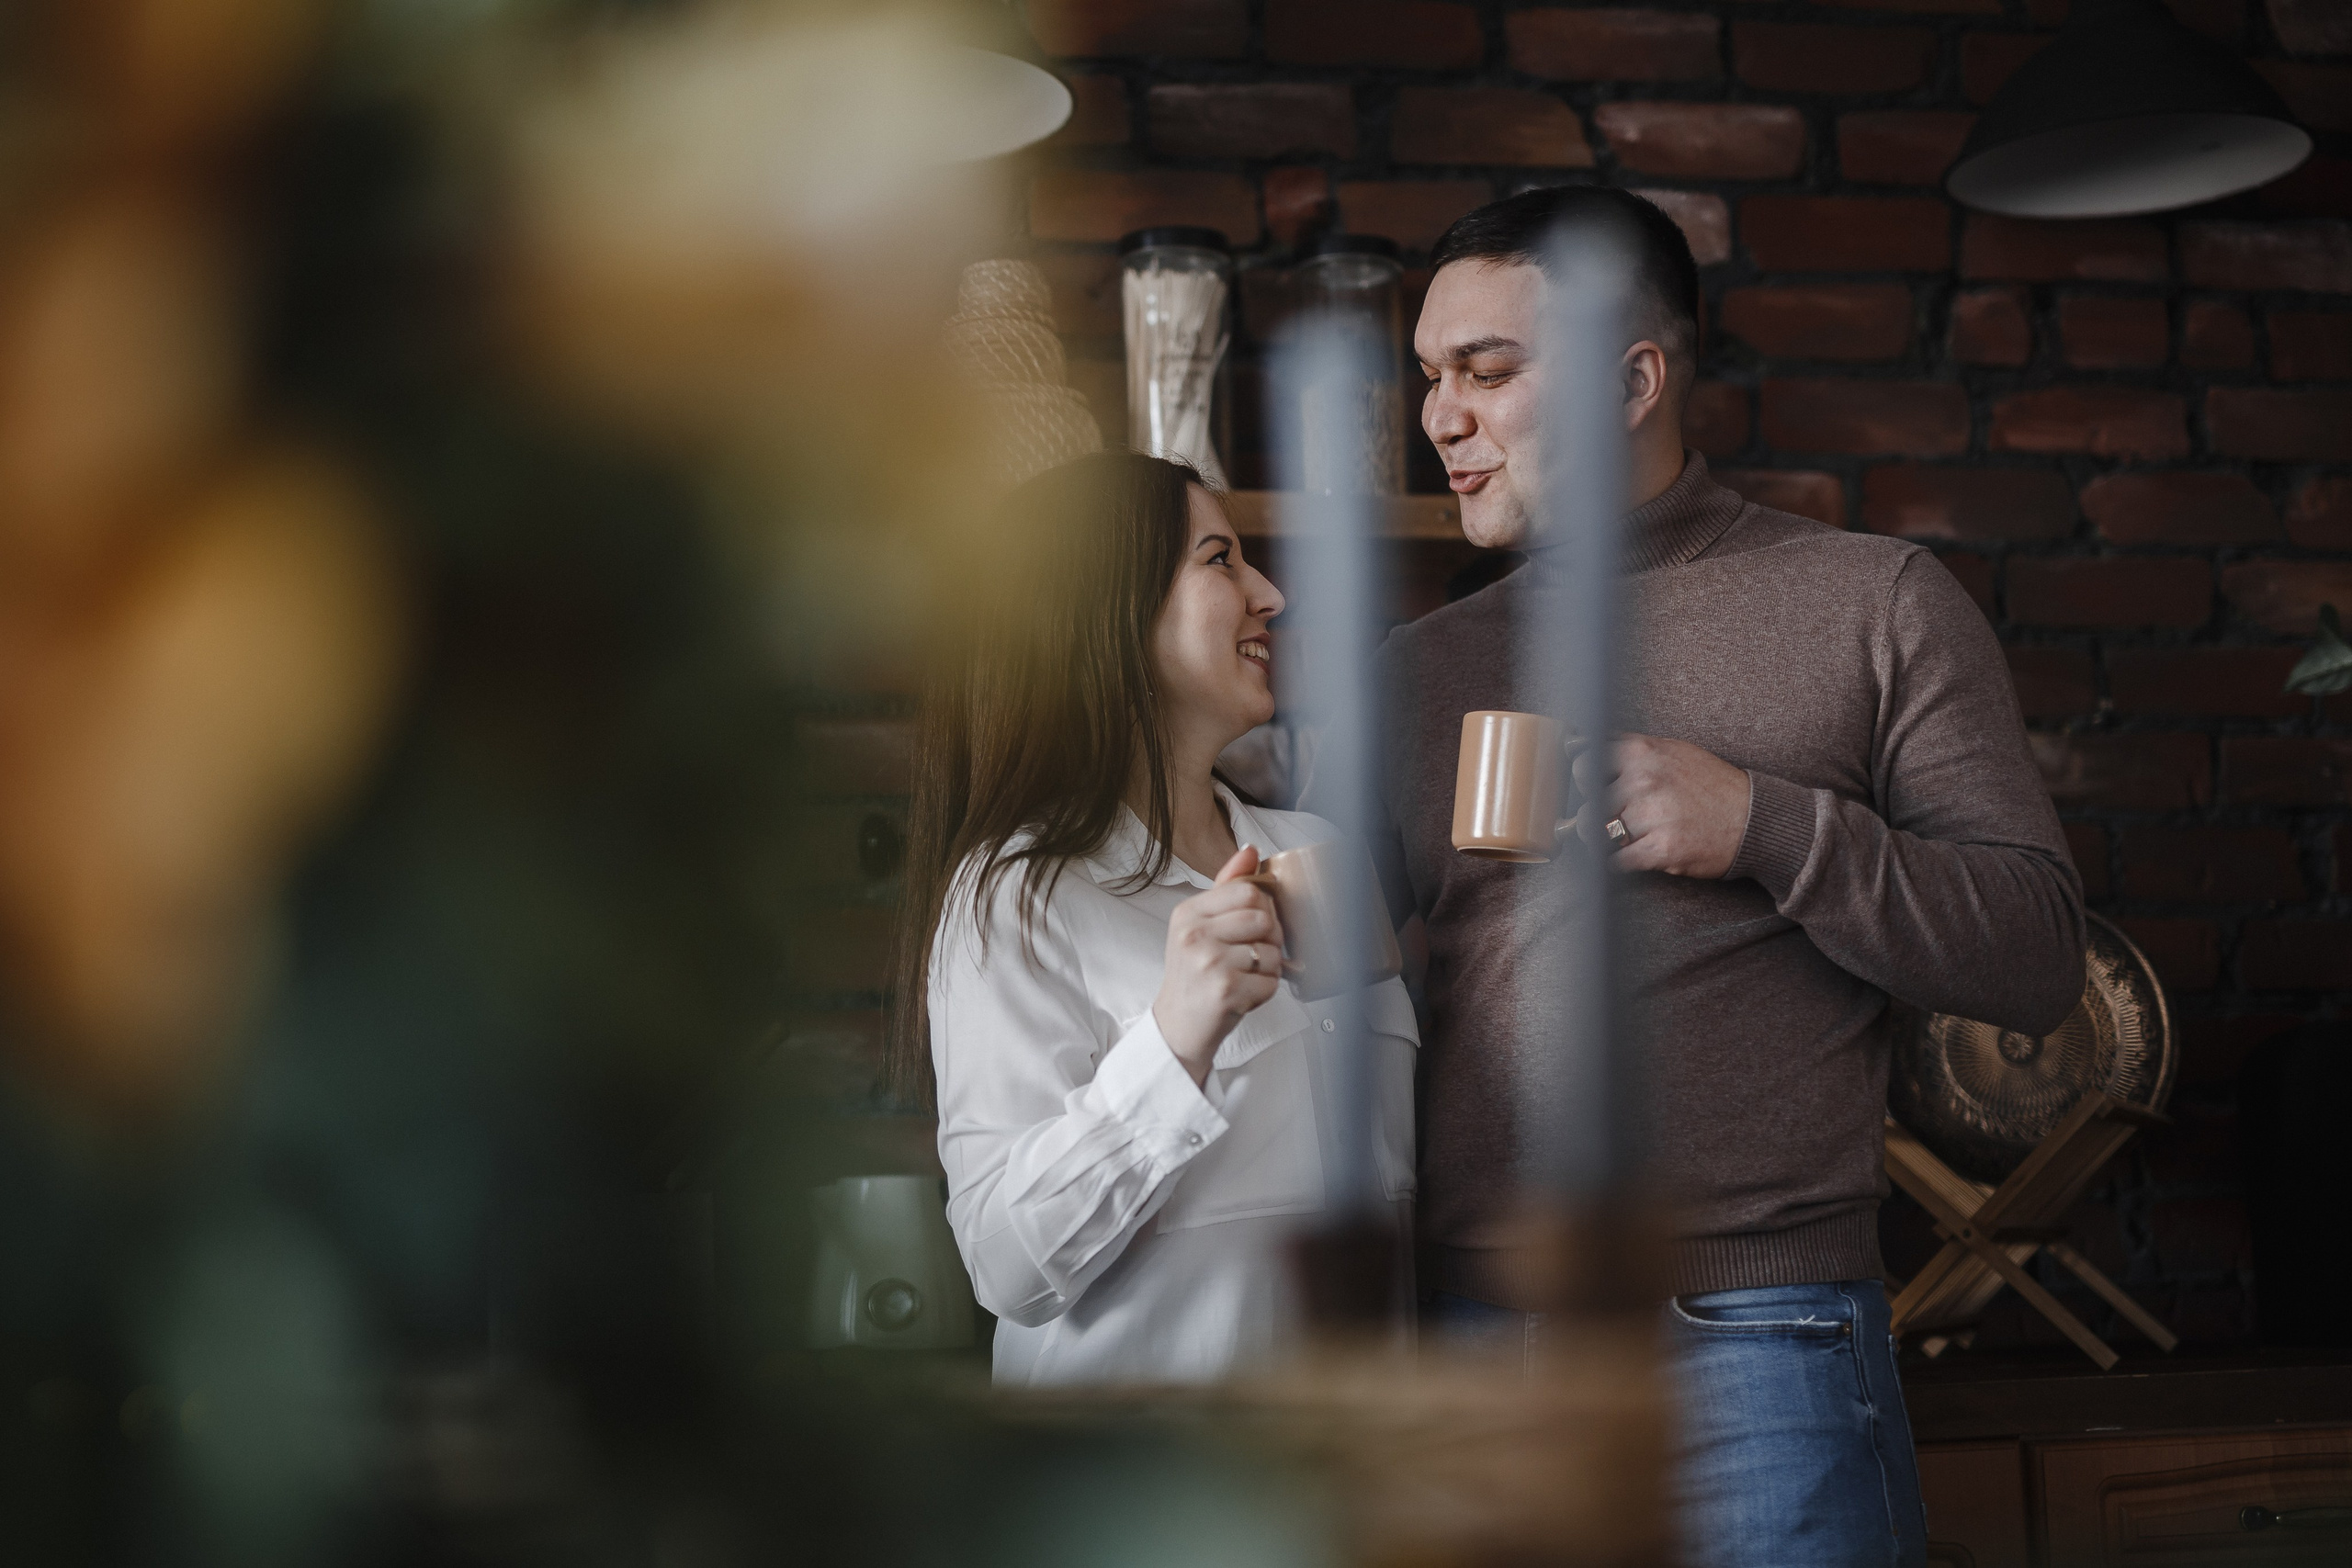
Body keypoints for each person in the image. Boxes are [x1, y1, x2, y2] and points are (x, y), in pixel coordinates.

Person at [1365, 186, 2086, 1563]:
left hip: (1756, 1341)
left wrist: (1765, 823)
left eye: (1488, 371)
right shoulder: (1417, 669)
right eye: (1429, 376)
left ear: (1637, 380)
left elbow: (2038, 954)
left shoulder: (1875, 603)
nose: (1440, 415)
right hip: (1475, 1348)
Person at [890, 451, 1418, 1386]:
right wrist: (1172, 1044)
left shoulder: (1318, 847)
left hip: (1357, 1474)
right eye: (1219, 560)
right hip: (1151, 1489)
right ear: (1112, 613)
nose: (1269, 594)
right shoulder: (1017, 894)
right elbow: (1003, 1265)